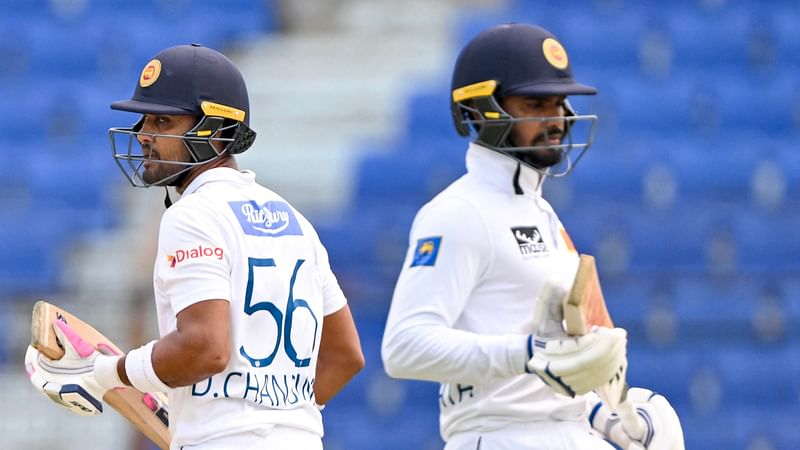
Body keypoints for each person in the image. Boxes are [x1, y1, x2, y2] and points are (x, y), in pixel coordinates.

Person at [26, 44, 364, 449]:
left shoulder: (192, 215)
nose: (144, 136)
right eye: (145, 119)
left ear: (217, 130)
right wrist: (275, 421)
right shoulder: (296, 220)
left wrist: (107, 372)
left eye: (163, 121)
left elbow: (205, 348)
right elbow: (345, 356)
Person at [381, 23, 684, 450]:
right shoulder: (458, 213)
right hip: (497, 437)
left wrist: (615, 421)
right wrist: (527, 351)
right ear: (480, 109)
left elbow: (555, 370)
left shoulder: (542, 212)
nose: (556, 118)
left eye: (559, 103)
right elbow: (404, 347)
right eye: (535, 103)